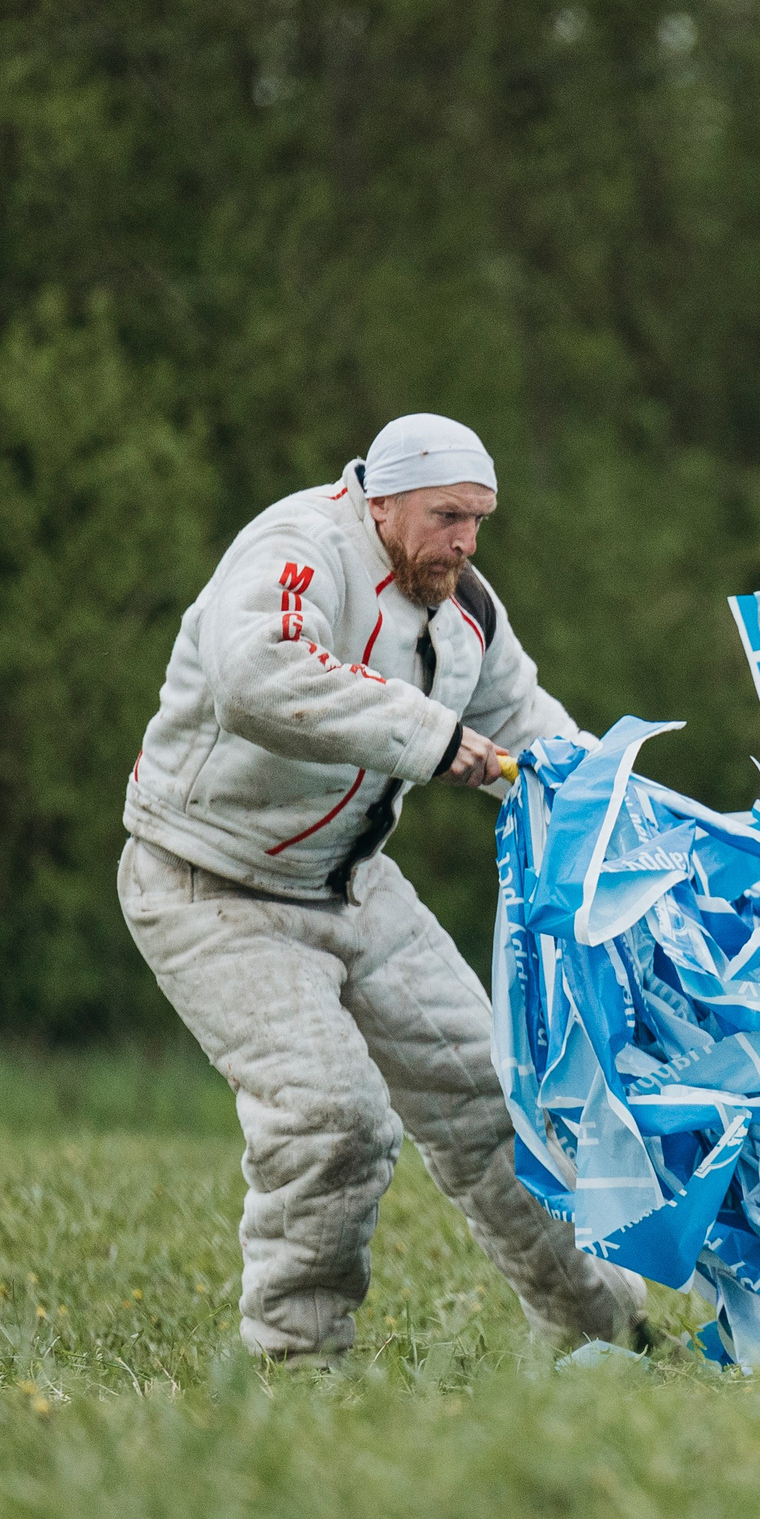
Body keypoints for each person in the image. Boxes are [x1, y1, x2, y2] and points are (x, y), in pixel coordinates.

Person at [116, 413, 647, 1362]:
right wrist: (435, 740)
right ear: (381, 500)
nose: (466, 541)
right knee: (334, 1116)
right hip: (211, 884)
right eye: (447, 516)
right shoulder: (298, 548)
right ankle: (297, 1365)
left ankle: (609, 1333)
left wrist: (638, 823)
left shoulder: (465, 606)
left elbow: (531, 727)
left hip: (354, 884)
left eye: (479, 520)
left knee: (496, 1105)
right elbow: (259, 673)